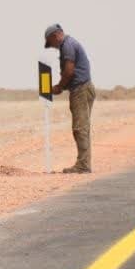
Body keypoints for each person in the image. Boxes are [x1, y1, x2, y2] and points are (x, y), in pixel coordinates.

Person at [44, 24, 95, 173]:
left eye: (50, 43)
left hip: (81, 90)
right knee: (82, 127)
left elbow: (69, 71)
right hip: (83, 88)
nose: (52, 47)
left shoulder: (67, 45)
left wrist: (59, 86)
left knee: (80, 128)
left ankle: (83, 165)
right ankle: (83, 163)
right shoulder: (70, 44)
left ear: (55, 36)